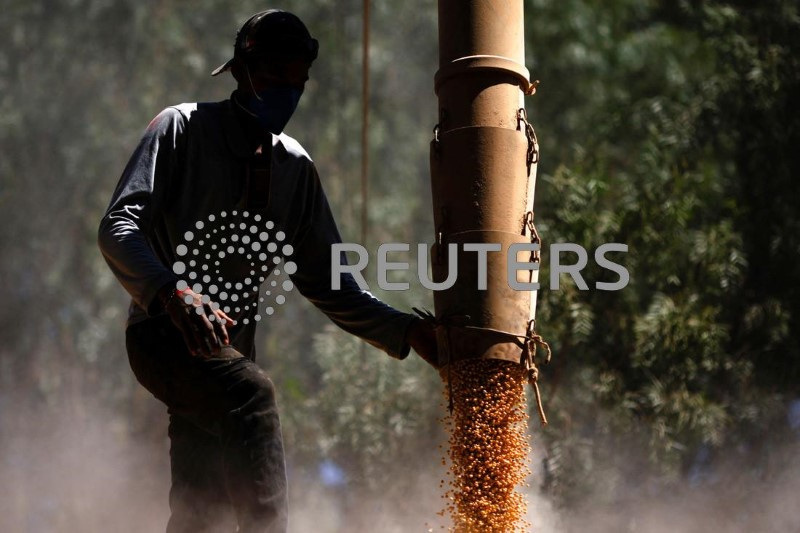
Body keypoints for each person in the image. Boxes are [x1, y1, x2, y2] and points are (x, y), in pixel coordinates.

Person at [98, 9, 437, 533]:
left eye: (296, 82)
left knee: (199, 507)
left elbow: (331, 282)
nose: (285, 93)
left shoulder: (294, 170)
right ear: (240, 72)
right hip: (163, 335)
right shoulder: (181, 129)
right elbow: (118, 226)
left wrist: (408, 331)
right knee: (251, 395)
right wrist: (170, 293)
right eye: (273, 77)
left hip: (227, 351)